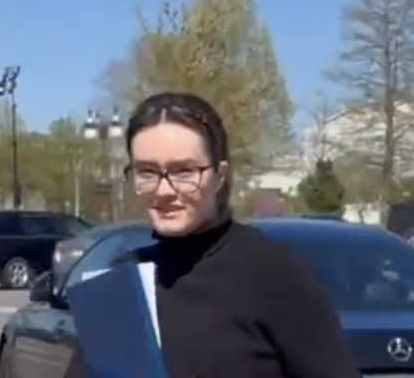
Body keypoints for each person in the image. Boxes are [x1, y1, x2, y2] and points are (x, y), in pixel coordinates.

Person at [64, 92, 360, 378]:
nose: (163, 190)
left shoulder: (274, 273)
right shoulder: (123, 282)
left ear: (219, 176)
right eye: (147, 172)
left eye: (184, 171)